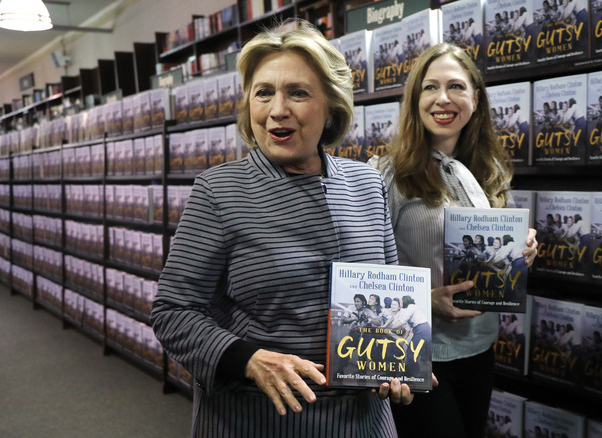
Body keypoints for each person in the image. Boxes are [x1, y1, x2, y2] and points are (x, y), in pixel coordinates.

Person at [151, 20, 416, 438]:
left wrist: (398, 366)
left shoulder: (367, 183)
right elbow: (171, 313)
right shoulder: (219, 191)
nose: (278, 110)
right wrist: (248, 358)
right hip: (258, 421)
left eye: (298, 92)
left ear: (331, 106)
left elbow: (388, 302)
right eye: (263, 93)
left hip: (362, 424)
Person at [369, 43, 538, 438]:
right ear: (414, 100)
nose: (443, 99)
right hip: (417, 351)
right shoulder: (386, 175)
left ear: (475, 99)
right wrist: (425, 301)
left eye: (456, 87)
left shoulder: (490, 169)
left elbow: (499, 254)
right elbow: (364, 275)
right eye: (430, 87)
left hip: (480, 348)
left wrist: (522, 250)